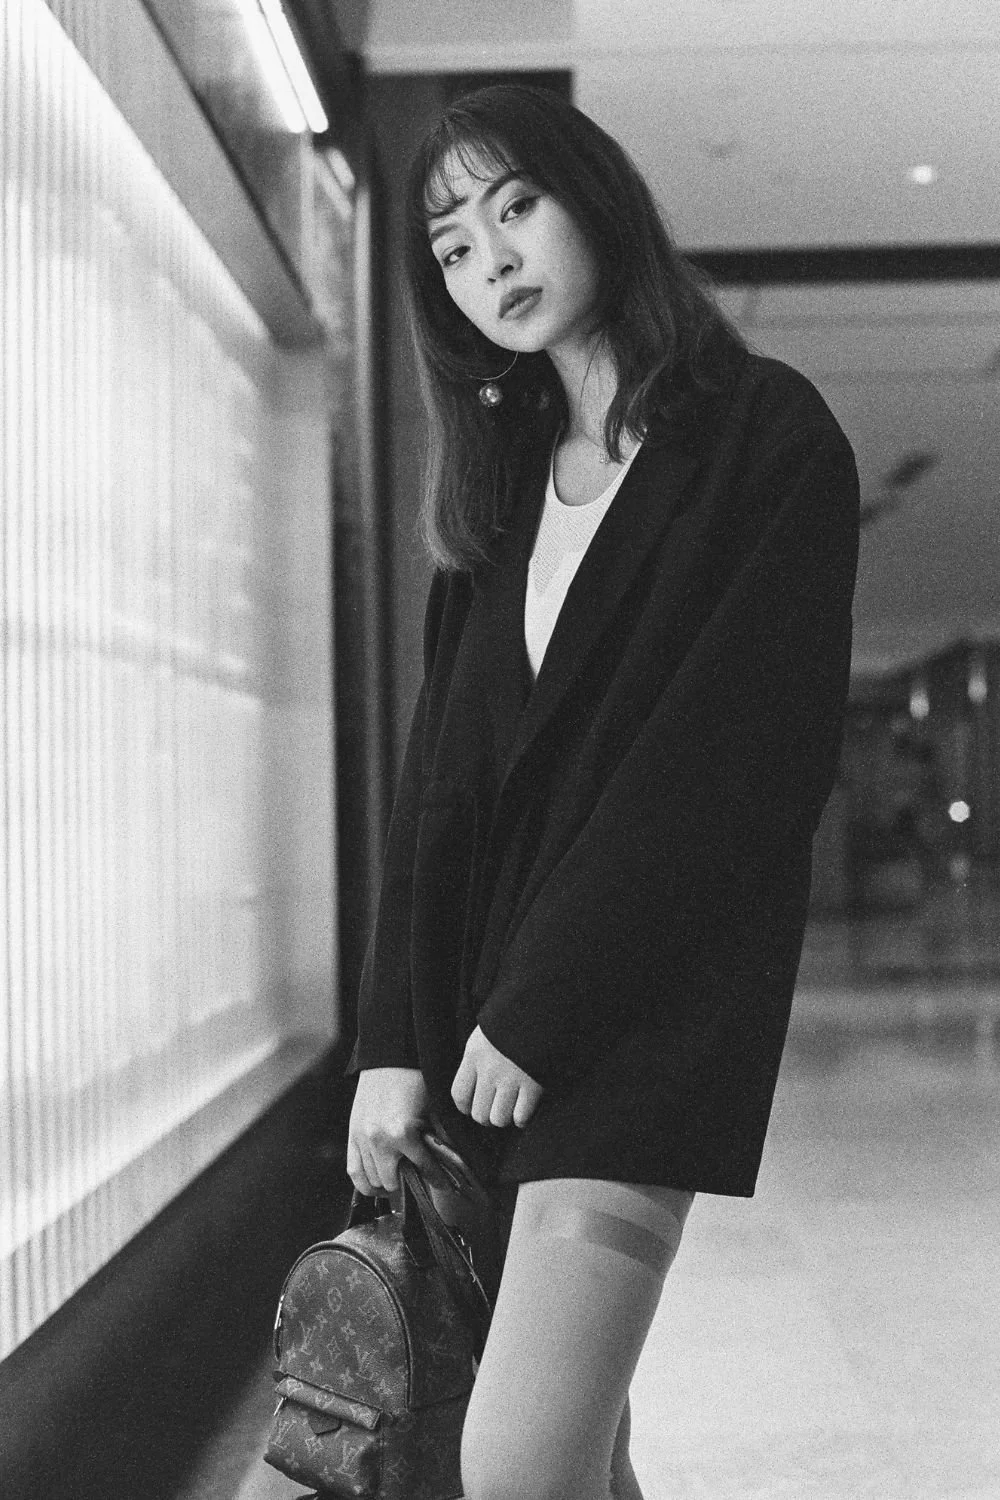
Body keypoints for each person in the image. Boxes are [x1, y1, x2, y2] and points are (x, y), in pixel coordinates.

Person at [346, 83, 860, 1500]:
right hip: (474, 1037)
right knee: (576, 1449)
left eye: (517, 209)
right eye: (452, 244)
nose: (491, 260)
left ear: (599, 201)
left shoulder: (766, 437)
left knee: (515, 1462)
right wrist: (397, 1033)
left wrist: (548, 1002)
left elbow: (738, 761)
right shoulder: (501, 489)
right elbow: (439, 794)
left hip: (634, 1021)